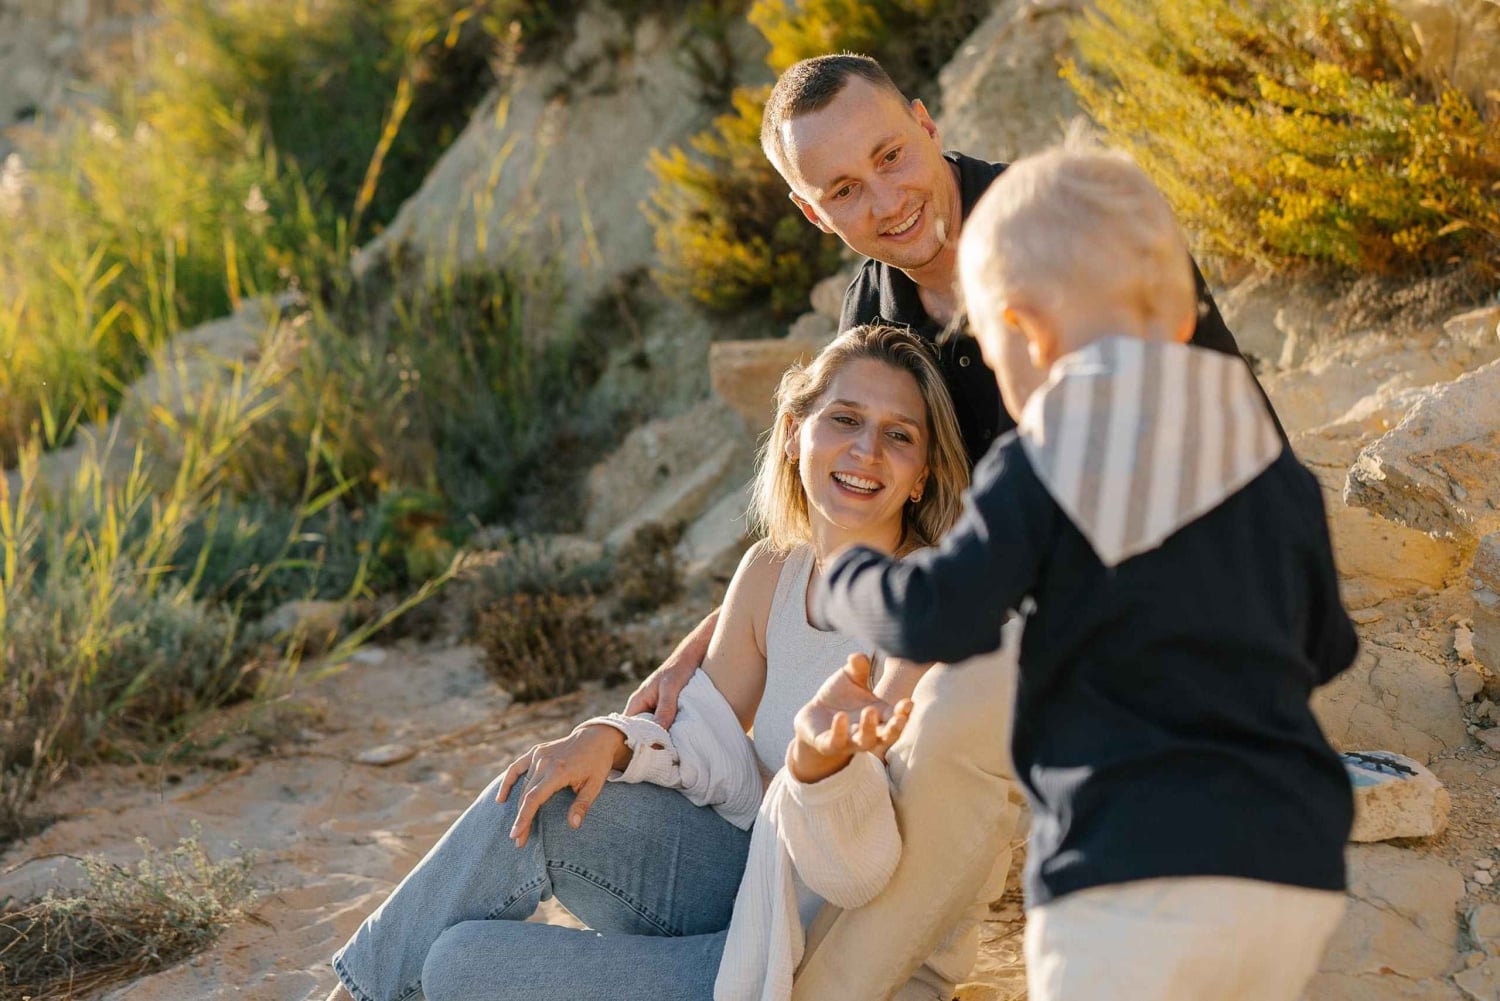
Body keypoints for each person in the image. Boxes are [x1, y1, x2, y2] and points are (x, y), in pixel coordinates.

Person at [627, 53, 1280, 999]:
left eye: (892, 154)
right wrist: (708, 638)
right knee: (863, 722)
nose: (886, 200)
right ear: (818, 216)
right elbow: (851, 500)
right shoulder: (875, 305)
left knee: (953, 710)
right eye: (845, 189)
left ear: (929, 127)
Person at [812, 143, 1356, 1001]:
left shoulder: (1043, 457)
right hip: (1285, 864)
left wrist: (850, 572)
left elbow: (942, 616)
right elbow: (1327, 644)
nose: (992, 365)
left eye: (990, 344)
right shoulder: (1268, 468)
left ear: (1023, 329)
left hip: (1122, 867)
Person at [326, 324, 977, 1001]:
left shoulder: (925, 604)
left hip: (806, 954)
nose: (867, 449)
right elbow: (711, 738)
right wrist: (609, 740)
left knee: (458, 966)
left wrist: (821, 765)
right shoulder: (772, 572)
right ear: (793, 431)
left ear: (922, 473)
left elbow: (862, 870)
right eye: (844, 418)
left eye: (899, 434)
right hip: (743, 883)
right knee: (540, 787)